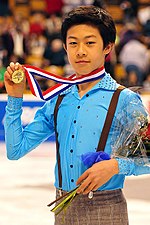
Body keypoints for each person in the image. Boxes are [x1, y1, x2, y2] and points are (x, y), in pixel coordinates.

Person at [4, 6, 150, 225]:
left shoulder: (124, 99)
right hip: (63, 208)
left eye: (90, 43)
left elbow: (147, 154)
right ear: (65, 47)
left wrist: (116, 166)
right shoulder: (58, 99)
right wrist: (15, 98)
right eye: (73, 43)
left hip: (107, 209)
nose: (80, 51)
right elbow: (15, 150)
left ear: (107, 47)